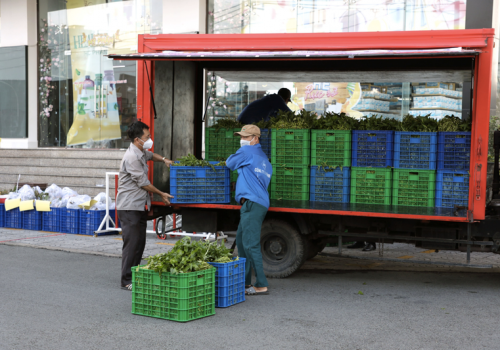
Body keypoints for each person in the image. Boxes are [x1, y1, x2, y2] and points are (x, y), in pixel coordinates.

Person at [116, 121, 174, 291]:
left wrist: (164, 160)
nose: (149, 139)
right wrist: (161, 193)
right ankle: (126, 280)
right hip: (129, 207)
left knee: (139, 243)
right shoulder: (131, 157)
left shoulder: (141, 151)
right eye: (147, 137)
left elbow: (151, 156)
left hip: (139, 206)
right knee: (132, 244)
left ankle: (135, 275)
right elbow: (143, 183)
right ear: (137, 140)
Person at [226, 125, 272, 295]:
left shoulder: (247, 153)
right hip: (256, 202)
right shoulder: (263, 158)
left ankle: (261, 284)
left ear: (255, 138)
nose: (243, 140)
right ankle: (245, 282)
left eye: (246, 137)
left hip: (252, 204)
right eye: (242, 137)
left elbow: (230, 163)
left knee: (250, 245)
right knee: (241, 242)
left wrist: (240, 150)